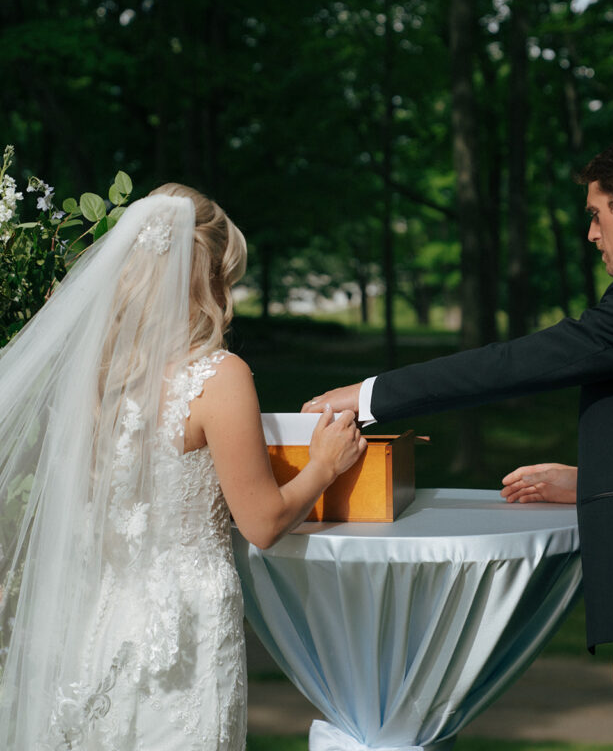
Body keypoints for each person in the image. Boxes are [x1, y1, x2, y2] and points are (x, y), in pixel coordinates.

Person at [303, 135, 613, 751]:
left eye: (595, 213)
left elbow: (516, 363)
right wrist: (592, 480)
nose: (591, 233)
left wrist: (370, 397)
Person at [0, 183, 366, 751]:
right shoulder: (218, 376)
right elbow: (263, 524)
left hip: (101, 621)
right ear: (210, 276)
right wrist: (324, 465)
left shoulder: (99, 374)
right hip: (187, 627)